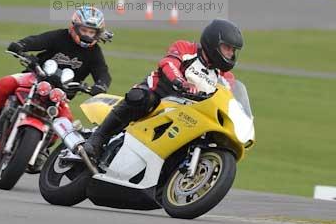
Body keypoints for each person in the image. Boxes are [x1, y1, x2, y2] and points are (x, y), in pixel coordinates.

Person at [82, 18, 243, 162]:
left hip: (188, 112)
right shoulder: (186, 48)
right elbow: (168, 63)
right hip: (160, 93)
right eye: (226, 48)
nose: (230, 53)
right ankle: (98, 138)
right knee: (141, 98)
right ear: (213, 42)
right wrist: (181, 82)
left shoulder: (225, 77)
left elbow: (227, 99)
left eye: (233, 50)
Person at [0, 5, 112, 149]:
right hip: (35, 78)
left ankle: (42, 148)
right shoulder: (60, 36)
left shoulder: (95, 52)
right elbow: (38, 40)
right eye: (84, 30)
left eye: (91, 32)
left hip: (60, 94)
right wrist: (21, 45)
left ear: (98, 34)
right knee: (3, 84)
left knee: (66, 122)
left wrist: (100, 86)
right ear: (74, 26)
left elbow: (102, 72)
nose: (87, 35)